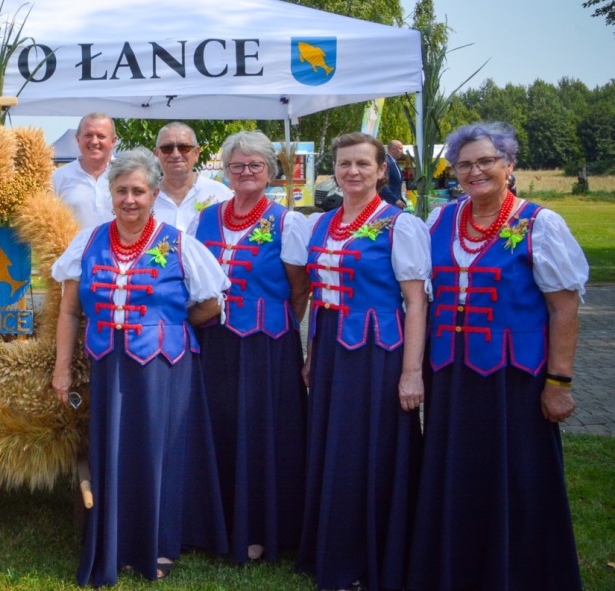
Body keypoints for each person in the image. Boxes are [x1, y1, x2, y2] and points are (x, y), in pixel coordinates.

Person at [408, 122, 586, 591]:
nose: (475, 171)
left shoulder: (540, 223)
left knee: (519, 474)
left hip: (516, 376)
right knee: (455, 470)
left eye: (486, 160)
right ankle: (455, 567)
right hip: (450, 372)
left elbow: (564, 307)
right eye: (464, 164)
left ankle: (521, 572)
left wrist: (559, 382)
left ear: (509, 165)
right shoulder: (440, 220)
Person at [52, 147, 230, 586]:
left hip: (163, 368)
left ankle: (159, 543)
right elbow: (70, 311)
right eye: (121, 191)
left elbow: (211, 304)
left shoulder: (180, 242)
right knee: (111, 450)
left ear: (154, 194)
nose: (129, 199)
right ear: (110, 194)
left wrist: (165, 325)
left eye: (138, 191)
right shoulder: (88, 242)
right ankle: (115, 539)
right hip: (108, 363)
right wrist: (62, 370)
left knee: (158, 452)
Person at [297, 132, 429, 591]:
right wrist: (313, 354)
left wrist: (412, 372)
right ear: (333, 169)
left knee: (368, 449)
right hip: (332, 347)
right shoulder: (321, 223)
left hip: (378, 352)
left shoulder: (399, 224)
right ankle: (332, 546)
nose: (352, 172)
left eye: (363, 164)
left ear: (380, 170)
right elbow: (318, 295)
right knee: (335, 445)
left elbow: (416, 302)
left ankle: (369, 556)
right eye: (344, 164)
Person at [189, 130, 311, 564]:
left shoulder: (288, 221)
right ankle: (214, 526)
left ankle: (260, 529)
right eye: (237, 165)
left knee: (261, 435)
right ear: (225, 169)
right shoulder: (204, 217)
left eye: (254, 165)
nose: (245, 172)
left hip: (266, 348)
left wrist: (271, 326)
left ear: (270, 171)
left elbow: (300, 290)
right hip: (213, 342)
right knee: (217, 429)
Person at [152, 121, 232, 231]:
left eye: (184, 147)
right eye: (167, 148)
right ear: (157, 154)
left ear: (196, 153)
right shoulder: (144, 197)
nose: (176, 154)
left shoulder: (220, 194)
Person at [51, 113, 117, 229]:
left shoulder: (126, 174)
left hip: (120, 247)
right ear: (78, 139)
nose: (94, 141)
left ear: (113, 141)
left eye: (101, 136)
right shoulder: (59, 177)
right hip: (76, 247)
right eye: (88, 135)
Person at [380, 139, 406, 208]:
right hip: (389, 203)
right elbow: (383, 185)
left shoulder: (394, 163)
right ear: (393, 149)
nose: (402, 151)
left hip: (396, 202)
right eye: (400, 149)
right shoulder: (386, 162)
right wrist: (395, 200)